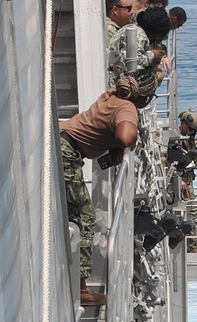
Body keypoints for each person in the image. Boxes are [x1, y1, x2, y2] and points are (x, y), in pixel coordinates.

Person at [60, 74, 155, 305]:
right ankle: (80, 286)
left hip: (63, 139)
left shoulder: (113, 95)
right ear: (145, 97)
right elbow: (125, 136)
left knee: (73, 212)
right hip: (67, 153)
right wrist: (129, 141)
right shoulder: (127, 106)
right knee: (85, 217)